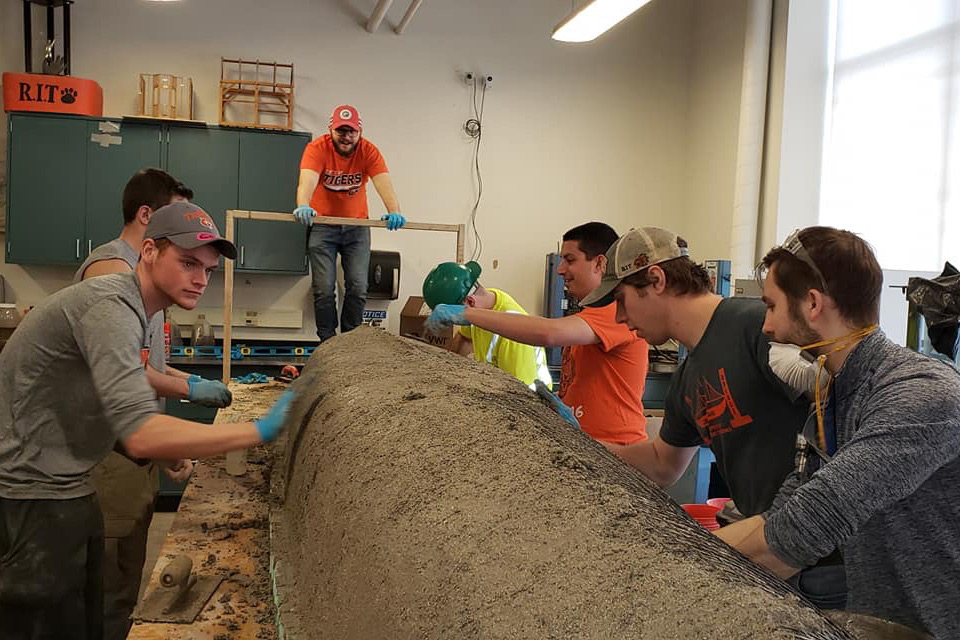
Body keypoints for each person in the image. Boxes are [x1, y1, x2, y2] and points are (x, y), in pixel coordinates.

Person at [0, 202, 294, 639]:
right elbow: (139, 433)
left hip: (70, 489)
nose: (200, 278)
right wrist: (258, 430)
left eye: (209, 270)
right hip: (30, 498)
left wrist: (162, 454)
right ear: (151, 251)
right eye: (188, 262)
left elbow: (86, 401)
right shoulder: (110, 305)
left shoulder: (139, 311)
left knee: (88, 622)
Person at [579, 226, 845, 609]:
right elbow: (661, 464)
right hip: (768, 558)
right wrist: (584, 444)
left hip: (823, 563)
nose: (620, 317)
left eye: (621, 300)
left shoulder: (757, 327)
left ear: (655, 280)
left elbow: (838, 410)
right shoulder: (687, 378)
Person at [715, 226, 960, 638]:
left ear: (812, 303)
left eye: (771, 307)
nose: (766, 327)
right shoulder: (836, 396)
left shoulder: (920, 396)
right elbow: (783, 514)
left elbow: (805, 529)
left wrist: (672, 572)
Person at [74, 168, 233, 640]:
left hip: (136, 444)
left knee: (126, 575)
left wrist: (192, 381)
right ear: (147, 221)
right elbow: (118, 372)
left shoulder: (146, 285)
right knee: (108, 584)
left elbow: (149, 361)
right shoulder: (110, 272)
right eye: (189, 258)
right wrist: (189, 394)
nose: (199, 277)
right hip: (109, 450)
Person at [426, 222, 648, 445]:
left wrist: (470, 314)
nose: (560, 270)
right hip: (584, 444)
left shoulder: (615, 312)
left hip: (617, 453)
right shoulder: (589, 317)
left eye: (570, 260)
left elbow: (549, 333)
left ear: (600, 262)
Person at [294, 104, 406, 341]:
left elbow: (383, 182)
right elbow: (307, 181)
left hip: (356, 227)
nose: (346, 137)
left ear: (359, 132)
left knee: (357, 286)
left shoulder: (368, 151)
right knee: (324, 289)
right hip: (323, 225)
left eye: (351, 132)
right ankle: (327, 341)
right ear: (331, 130)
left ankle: (350, 340)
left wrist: (394, 210)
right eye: (341, 131)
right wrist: (304, 204)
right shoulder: (317, 148)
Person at [422, 260, 552, 388]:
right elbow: (464, 339)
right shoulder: (485, 302)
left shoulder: (513, 338)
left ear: (470, 302)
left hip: (530, 400)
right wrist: (447, 369)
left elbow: (522, 395)